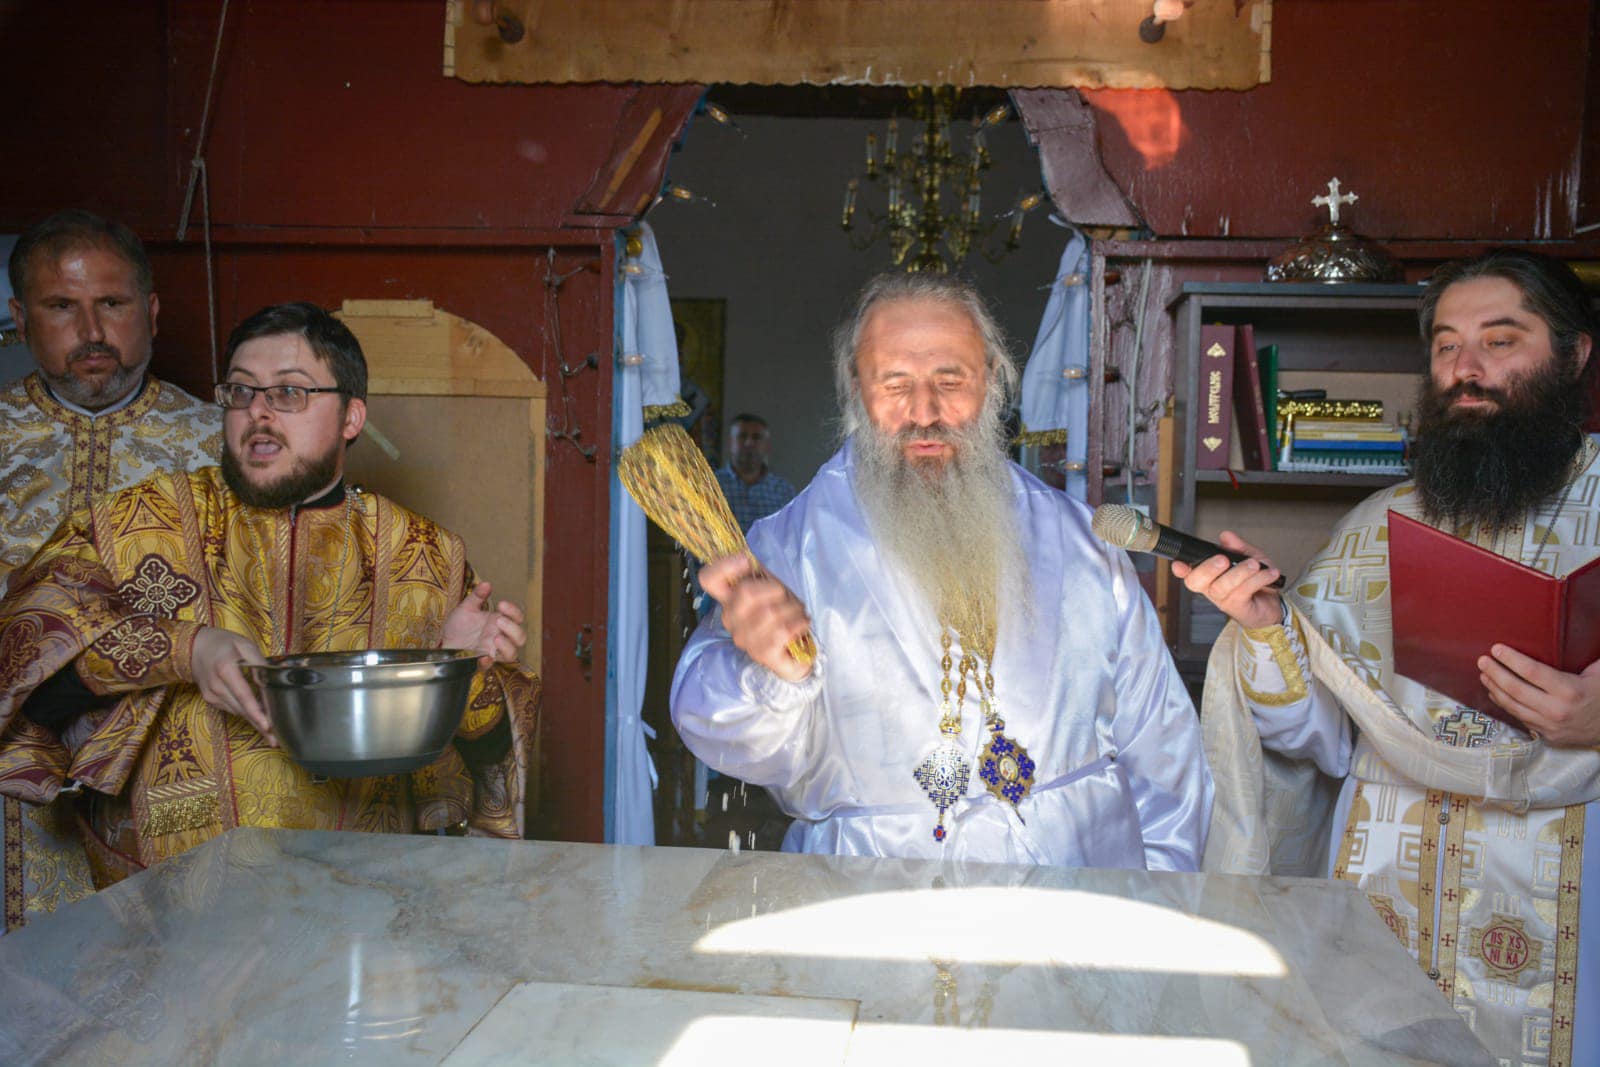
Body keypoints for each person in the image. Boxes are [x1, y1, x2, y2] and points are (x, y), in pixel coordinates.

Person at [1185, 249, 1599, 1065]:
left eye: (1500, 341)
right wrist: (1267, 632)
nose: (1466, 368)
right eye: (1446, 345)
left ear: (1574, 353)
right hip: (1383, 894)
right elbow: (1319, 742)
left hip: (1568, 888)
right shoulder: (1376, 526)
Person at [0, 302, 538, 918]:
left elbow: (491, 760)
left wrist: (462, 669)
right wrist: (183, 649)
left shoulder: (426, 556)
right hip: (171, 915)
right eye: (241, 391)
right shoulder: (128, 527)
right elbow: (22, 681)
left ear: (351, 416)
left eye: (289, 392)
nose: (258, 412)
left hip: (365, 914)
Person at [672, 273, 1211, 868]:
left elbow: (1162, 746)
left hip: (1078, 881)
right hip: (871, 888)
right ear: (855, 386)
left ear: (993, 379)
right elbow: (723, 734)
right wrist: (774, 676)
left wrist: (1161, 892)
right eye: (895, 384)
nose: (924, 412)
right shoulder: (787, 548)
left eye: (950, 382)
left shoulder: (1082, 540)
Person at [1, 210, 221, 584]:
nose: (92, 333)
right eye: (62, 306)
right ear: (21, 320)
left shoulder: (221, 441)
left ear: (151, 313)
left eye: (111, 304)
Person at [714, 414, 798, 533]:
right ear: (730, 443)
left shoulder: (784, 491)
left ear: (767, 445)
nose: (749, 443)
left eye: (756, 437)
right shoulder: (711, 485)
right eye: (742, 436)